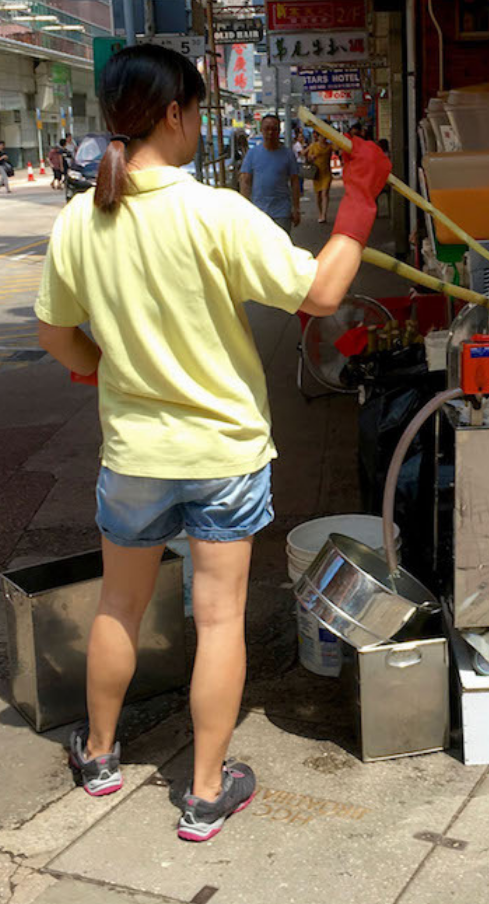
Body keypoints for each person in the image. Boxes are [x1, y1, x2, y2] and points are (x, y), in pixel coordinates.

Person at [34, 44, 390, 843]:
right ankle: (202, 793)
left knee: (118, 605)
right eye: (194, 111)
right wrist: (358, 201)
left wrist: (102, 368)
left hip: (133, 455)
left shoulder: (80, 218)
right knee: (219, 620)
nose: (197, 125)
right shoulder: (212, 211)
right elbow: (324, 291)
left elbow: (56, 332)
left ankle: (96, 755)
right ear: (173, 114)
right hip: (222, 454)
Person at [239, 115, 301, 237]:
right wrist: (244, 209)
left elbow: (295, 182)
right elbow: (245, 181)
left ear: (279, 131)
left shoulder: (288, 154)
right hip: (258, 213)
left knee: (282, 248)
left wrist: (296, 208)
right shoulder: (253, 154)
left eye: (274, 129)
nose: (270, 132)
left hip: (282, 212)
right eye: (267, 128)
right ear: (261, 130)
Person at [306, 131, 333, 223]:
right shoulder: (314, 146)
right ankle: (320, 213)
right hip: (316, 174)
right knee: (318, 195)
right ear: (318, 137)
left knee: (324, 194)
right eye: (322, 136)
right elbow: (308, 157)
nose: (324, 138)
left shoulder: (330, 146)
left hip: (327, 173)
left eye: (325, 136)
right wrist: (312, 157)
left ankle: (324, 215)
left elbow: (338, 148)